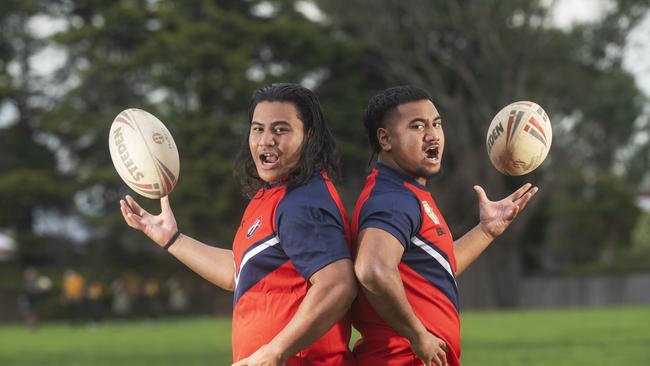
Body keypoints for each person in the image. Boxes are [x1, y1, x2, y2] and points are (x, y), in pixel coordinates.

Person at [119, 83, 357, 366]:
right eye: (258, 129)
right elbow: (239, 272)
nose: (265, 140)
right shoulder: (271, 195)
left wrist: (275, 352)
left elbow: (337, 285)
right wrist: (173, 239)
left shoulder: (302, 203)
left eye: (280, 130)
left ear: (309, 136)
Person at [351, 85, 538, 366]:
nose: (432, 135)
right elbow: (372, 270)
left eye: (436, 124)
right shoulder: (392, 198)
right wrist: (417, 335)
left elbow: (436, 268)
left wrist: (486, 230)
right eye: (417, 126)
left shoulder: (408, 192)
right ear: (385, 139)